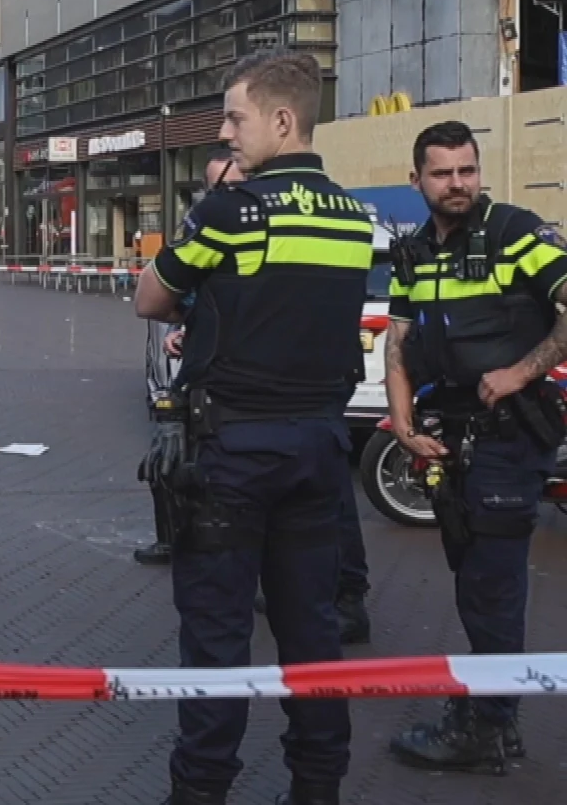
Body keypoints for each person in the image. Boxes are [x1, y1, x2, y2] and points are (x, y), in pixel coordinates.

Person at [135, 50, 373, 805]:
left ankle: (201, 789)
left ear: (282, 119)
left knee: (217, 636)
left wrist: (203, 302)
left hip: (233, 454)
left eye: (236, 117)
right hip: (319, 450)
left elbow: (150, 297)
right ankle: (318, 786)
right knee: (313, 633)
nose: (226, 132)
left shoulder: (231, 211)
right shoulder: (353, 217)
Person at [383, 120, 567, 774]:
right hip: (454, 443)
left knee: (492, 589)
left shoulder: (515, 232)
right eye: (442, 173)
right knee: (474, 582)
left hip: (508, 440)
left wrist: (519, 372)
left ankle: (489, 727)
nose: (458, 183)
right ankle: (489, 714)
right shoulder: (412, 252)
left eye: (467, 169)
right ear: (417, 180)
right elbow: (399, 341)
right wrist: (403, 423)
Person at [136, 148, 238, 567]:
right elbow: (165, 298)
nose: (221, 197)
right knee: (169, 455)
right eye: (215, 188)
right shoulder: (204, 234)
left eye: (229, 187)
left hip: (240, 385)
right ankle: (174, 539)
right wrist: (185, 327)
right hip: (203, 375)